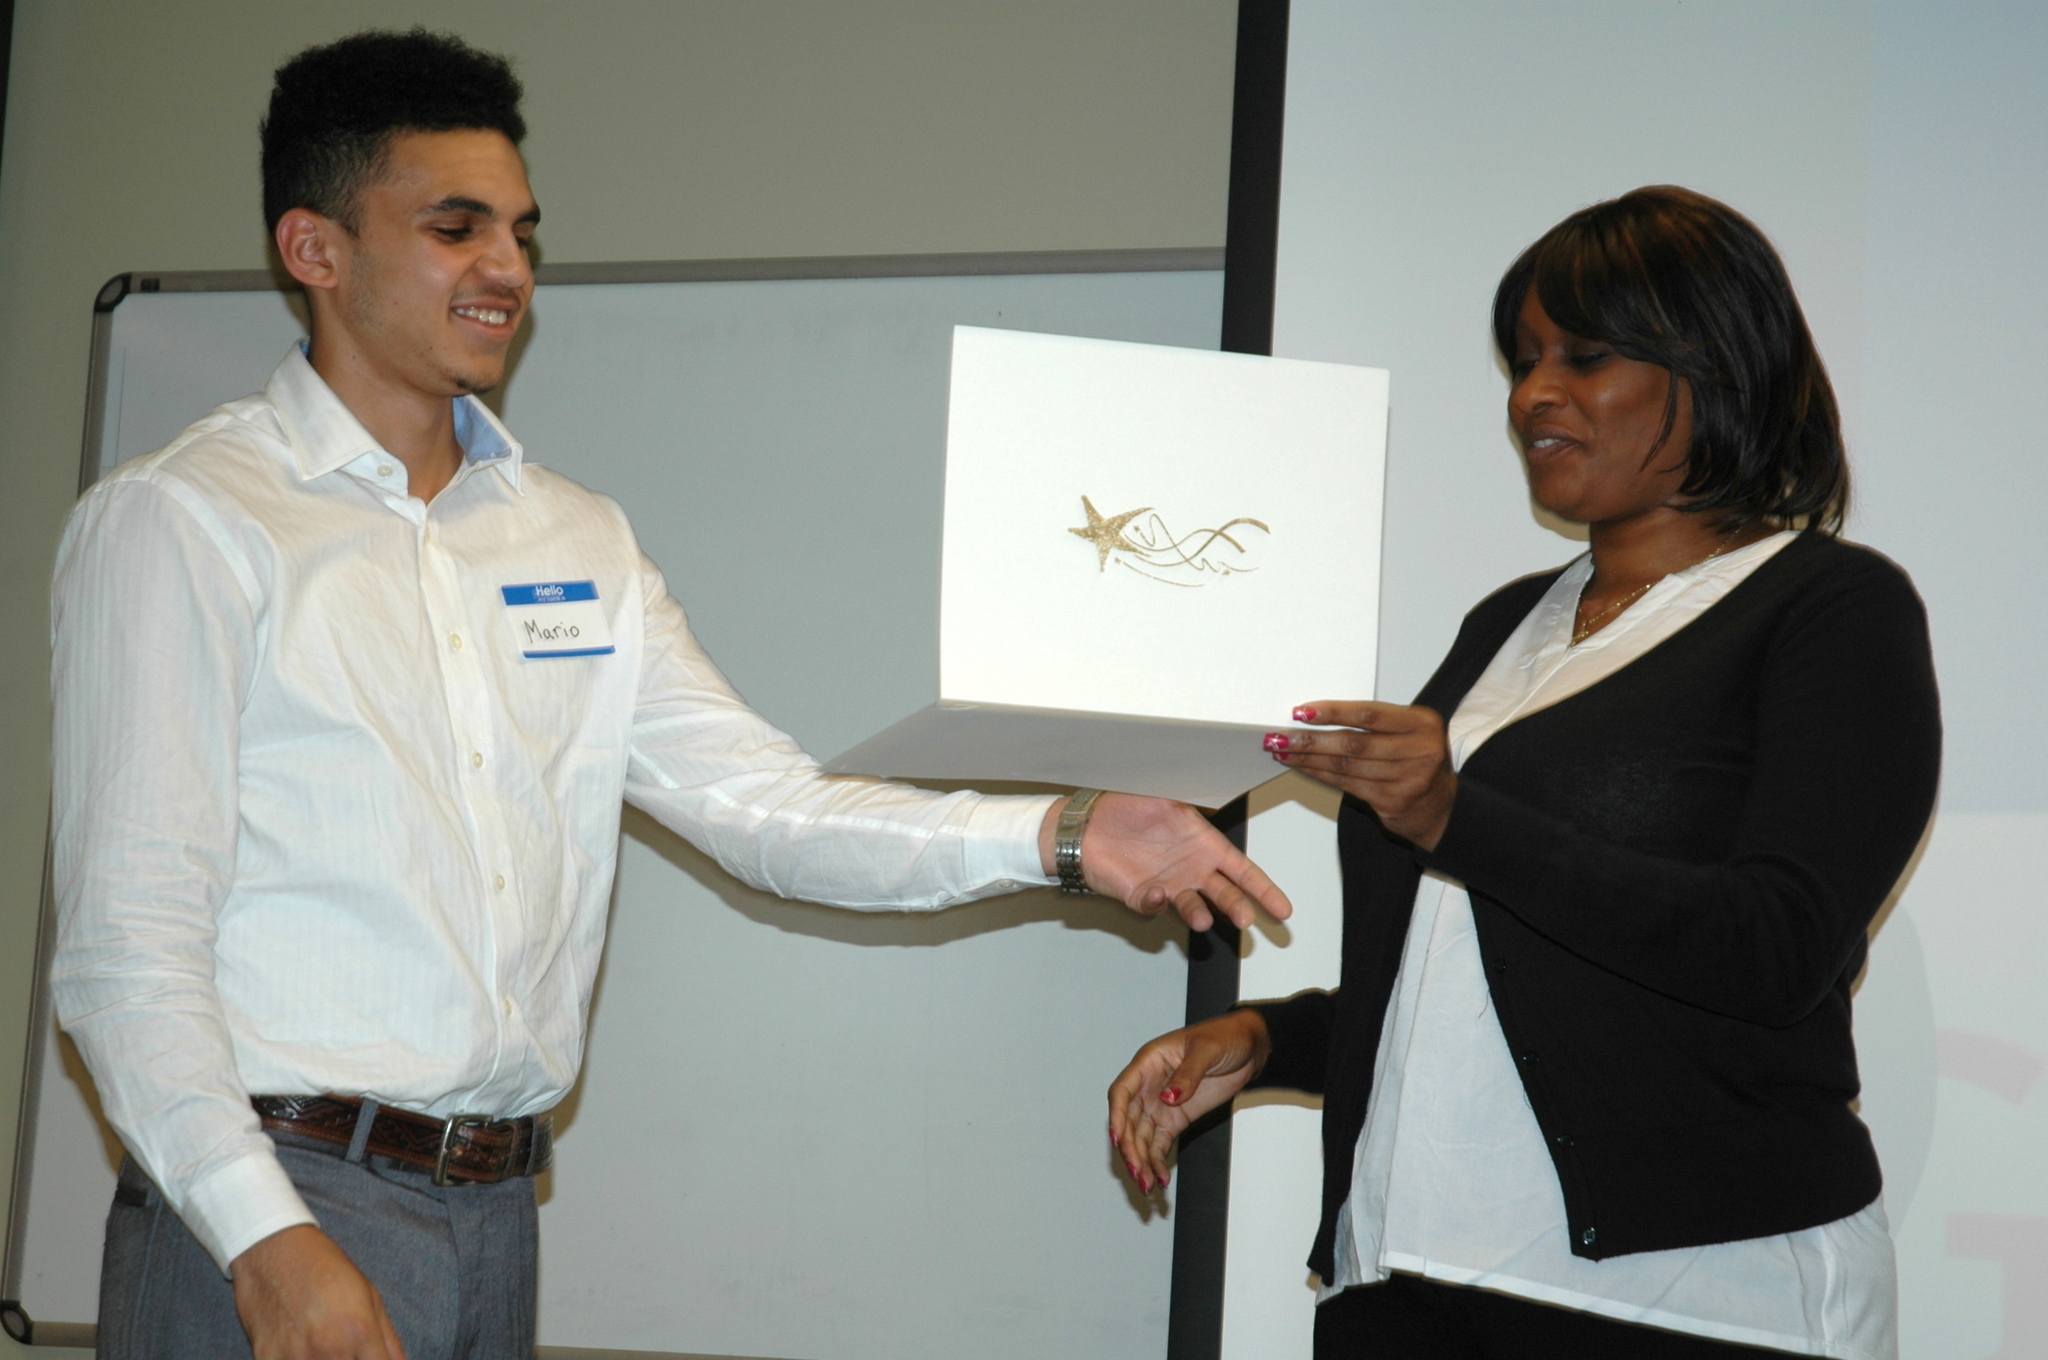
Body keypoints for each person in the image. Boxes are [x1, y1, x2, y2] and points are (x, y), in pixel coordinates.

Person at [48, 28, 1291, 1360]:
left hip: (496, 1217)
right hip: (276, 1207)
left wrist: (1065, 832)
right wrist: (266, 1239)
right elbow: (129, 958)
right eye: (456, 229)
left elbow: (765, 809)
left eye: (522, 232)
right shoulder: (186, 521)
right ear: (316, 249)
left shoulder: (575, 540)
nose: (507, 270)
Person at [1108, 186, 1939, 1358]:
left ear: (1721, 367)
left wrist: (1454, 812)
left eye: (1585, 356)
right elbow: (1479, 969)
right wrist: (1267, 1041)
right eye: (1523, 357)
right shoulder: (1508, 624)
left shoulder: (1829, 608)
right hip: (1405, 1275)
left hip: (1689, 1296)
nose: (1531, 393)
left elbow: (1775, 949)